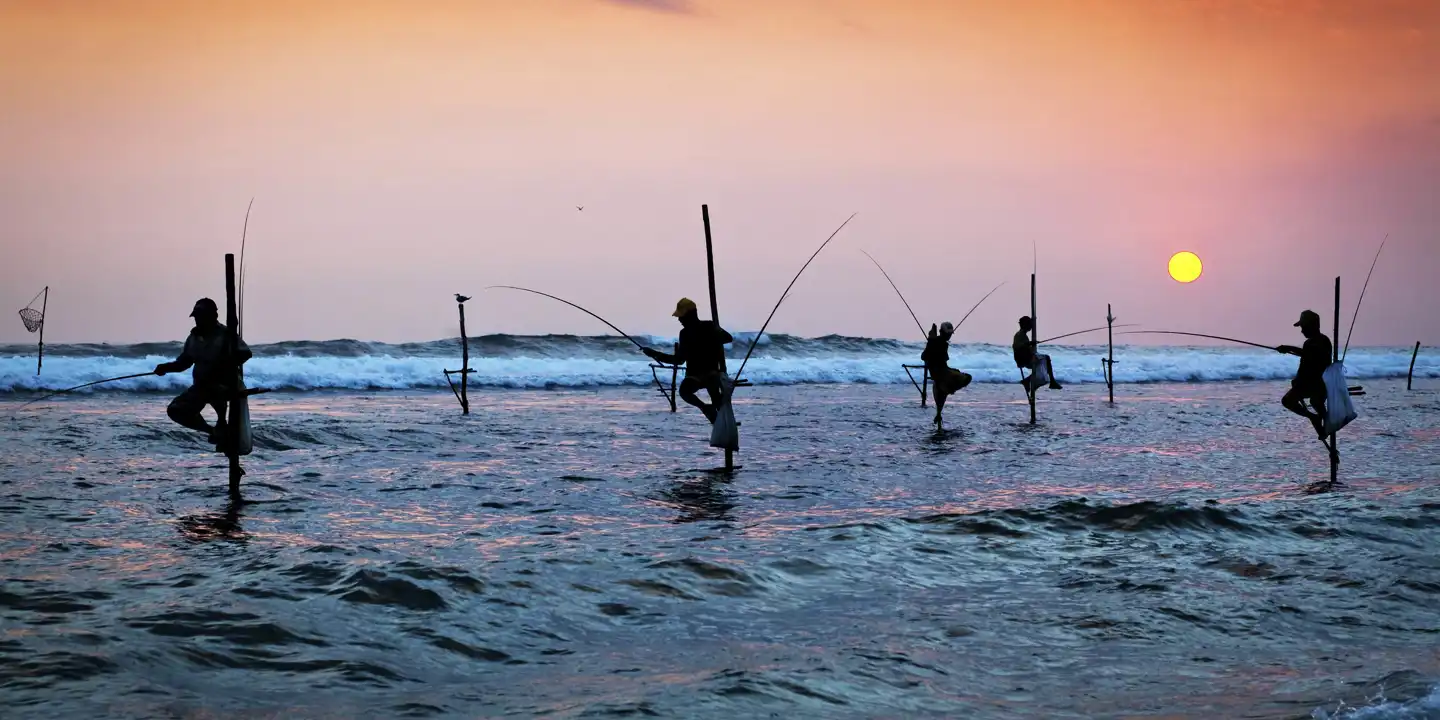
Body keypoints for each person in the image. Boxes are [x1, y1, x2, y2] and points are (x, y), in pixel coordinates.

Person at [154, 298, 251, 449]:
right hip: (201, 386)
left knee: (218, 399)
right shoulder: (193, 338)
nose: (198, 320)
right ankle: (212, 431)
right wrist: (165, 368)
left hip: (224, 385)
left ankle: (222, 426)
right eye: (196, 317)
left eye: (202, 316)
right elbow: (184, 363)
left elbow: (245, 354)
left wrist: (223, 365)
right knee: (176, 410)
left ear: (213, 316)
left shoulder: (226, 335)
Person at [643, 298, 733, 424]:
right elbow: (679, 360)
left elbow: (728, 338)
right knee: (684, 392)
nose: (679, 320)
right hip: (695, 376)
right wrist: (654, 354)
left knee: (714, 394)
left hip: (712, 373)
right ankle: (706, 408)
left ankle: (721, 420)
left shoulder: (708, 326)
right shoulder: (685, 333)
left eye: (682, 316)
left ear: (691, 315)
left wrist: (715, 333)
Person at [1276, 309, 1333, 440]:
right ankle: (1324, 423)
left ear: (1313, 326)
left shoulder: (1318, 342)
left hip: (1314, 384)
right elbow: (1307, 357)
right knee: (1316, 402)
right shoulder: (1318, 341)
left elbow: (1310, 357)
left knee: (1287, 401)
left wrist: (1288, 348)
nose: (1302, 330)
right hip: (1318, 384)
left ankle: (1314, 418)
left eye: (1303, 327)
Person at [921, 321, 973, 427]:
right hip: (941, 374)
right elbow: (934, 359)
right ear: (942, 333)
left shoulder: (935, 342)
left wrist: (930, 343)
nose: (949, 336)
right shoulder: (941, 344)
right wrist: (931, 343)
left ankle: (945, 392)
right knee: (967, 377)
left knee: (957, 376)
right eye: (948, 334)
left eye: (950, 334)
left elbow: (925, 356)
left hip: (940, 372)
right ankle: (947, 389)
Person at [1013, 316, 1062, 392]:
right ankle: (1052, 381)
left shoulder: (1023, 335)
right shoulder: (1019, 335)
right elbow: (1017, 346)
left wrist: (1030, 344)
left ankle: (1028, 381)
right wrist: (1029, 343)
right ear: (1024, 325)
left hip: (1026, 358)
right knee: (1046, 358)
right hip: (1024, 359)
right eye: (1029, 324)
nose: (1031, 326)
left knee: (1042, 366)